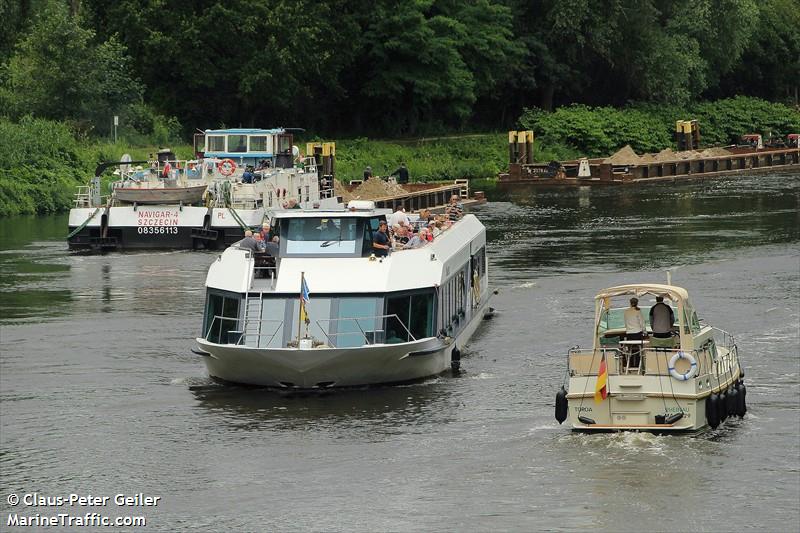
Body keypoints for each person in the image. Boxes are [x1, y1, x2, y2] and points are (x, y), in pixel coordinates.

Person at [624, 297, 647, 368]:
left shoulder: (626, 311)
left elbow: (626, 323)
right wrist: (645, 332)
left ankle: (630, 364)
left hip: (629, 334)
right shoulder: (638, 311)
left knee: (630, 349)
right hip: (637, 333)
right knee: (638, 349)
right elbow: (642, 323)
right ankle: (638, 365)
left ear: (630, 303)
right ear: (637, 303)